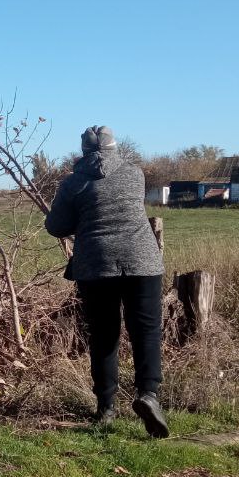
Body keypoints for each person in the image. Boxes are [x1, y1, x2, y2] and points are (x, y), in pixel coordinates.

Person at [45, 126, 169, 437]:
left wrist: (78, 214)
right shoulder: (134, 174)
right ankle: (148, 395)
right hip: (143, 261)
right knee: (147, 330)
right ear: (115, 148)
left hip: (96, 264)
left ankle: (106, 408)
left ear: (83, 151)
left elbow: (56, 227)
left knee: (104, 335)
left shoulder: (74, 182)